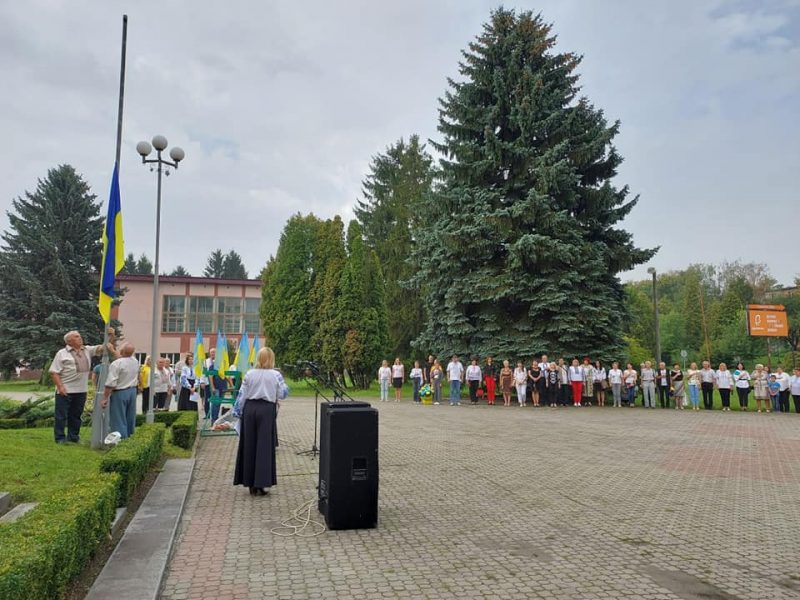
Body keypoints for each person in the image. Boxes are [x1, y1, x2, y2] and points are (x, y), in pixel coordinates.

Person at [233, 347, 286, 496]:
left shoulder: (249, 373)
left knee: (249, 444)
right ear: (271, 359)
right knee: (264, 445)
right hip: (266, 409)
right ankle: (262, 483)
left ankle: (249, 482)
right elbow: (283, 393)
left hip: (250, 408)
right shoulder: (276, 375)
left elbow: (242, 395)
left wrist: (237, 412)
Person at [49, 330, 105, 444]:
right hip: (65, 390)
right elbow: (54, 372)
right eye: (76, 336)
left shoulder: (87, 350)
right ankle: (60, 438)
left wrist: (110, 336)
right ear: (69, 341)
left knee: (76, 415)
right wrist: (60, 387)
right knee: (61, 416)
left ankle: (73, 437)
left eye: (79, 336)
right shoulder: (62, 353)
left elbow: (103, 348)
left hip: (81, 390)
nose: (80, 338)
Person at [100, 342, 140, 438]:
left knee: (118, 418)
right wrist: (113, 350)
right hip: (132, 391)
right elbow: (123, 359)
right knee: (130, 417)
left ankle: (120, 439)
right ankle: (129, 436)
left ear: (121, 351)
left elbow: (110, 383)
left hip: (120, 392)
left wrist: (105, 398)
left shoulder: (116, 364)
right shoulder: (134, 361)